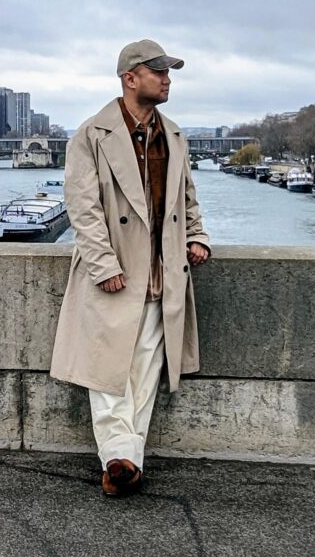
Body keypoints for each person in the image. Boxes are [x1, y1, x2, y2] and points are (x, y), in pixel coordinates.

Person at [50, 39, 210, 496]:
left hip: (162, 270)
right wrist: (103, 264)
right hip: (116, 268)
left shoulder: (174, 135)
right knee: (107, 370)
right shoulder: (90, 135)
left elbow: (187, 199)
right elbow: (82, 207)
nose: (167, 79)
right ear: (130, 78)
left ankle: (124, 461)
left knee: (144, 368)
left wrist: (197, 237)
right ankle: (120, 457)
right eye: (158, 71)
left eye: (168, 72)